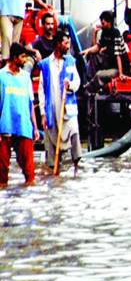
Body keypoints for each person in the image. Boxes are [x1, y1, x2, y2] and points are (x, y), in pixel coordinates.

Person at [38, 29, 81, 175]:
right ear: (57, 44)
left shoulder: (70, 61)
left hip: (67, 107)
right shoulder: (45, 64)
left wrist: (71, 86)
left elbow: (77, 80)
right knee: (51, 137)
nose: (68, 46)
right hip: (52, 108)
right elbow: (41, 90)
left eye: (69, 43)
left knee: (74, 132)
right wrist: (43, 113)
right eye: (65, 43)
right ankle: (53, 170)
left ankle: (76, 167)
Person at [0, 43, 39, 186]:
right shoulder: (1, 76)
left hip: (24, 127)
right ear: (14, 58)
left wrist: (35, 128)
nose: (25, 60)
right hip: (5, 127)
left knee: (30, 175)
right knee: (2, 175)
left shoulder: (25, 78)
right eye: (22, 57)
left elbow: (30, 105)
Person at [82, 10, 127, 93]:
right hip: (109, 63)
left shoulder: (115, 33)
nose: (101, 25)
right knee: (93, 56)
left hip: (118, 67)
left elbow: (118, 55)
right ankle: (91, 80)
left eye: (103, 23)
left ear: (109, 22)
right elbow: (97, 47)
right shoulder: (104, 32)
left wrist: (121, 73)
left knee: (99, 75)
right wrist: (86, 51)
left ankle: (90, 89)